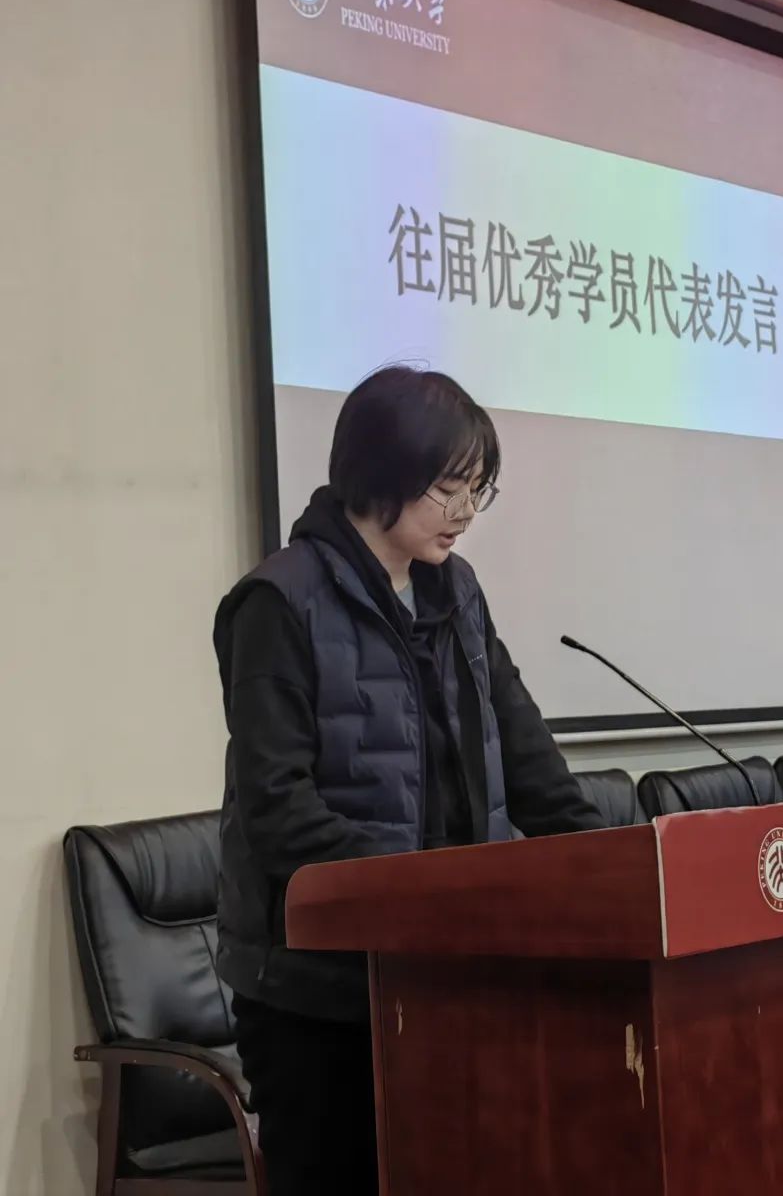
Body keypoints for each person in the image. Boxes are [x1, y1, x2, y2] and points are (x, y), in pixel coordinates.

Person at [213, 365, 604, 1196]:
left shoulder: (455, 592)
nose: (464, 512)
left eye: (476, 490)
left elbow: (523, 753)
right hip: (317, 993)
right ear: (379, 474)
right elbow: (276, 810)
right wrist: (430, 890)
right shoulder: (278, 602)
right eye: (446, 489)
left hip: (447, 970)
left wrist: (615, 865)